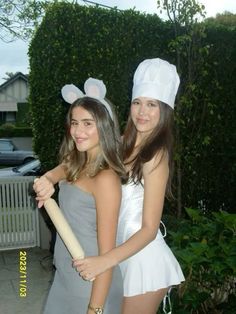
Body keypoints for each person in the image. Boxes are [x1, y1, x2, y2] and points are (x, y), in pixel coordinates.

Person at [34, 58, 185, 314]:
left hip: (142, 260)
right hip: (117, 256)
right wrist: (50, 177)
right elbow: (77, 161)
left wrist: (105, 261)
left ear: (165, 110)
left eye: (152, 105)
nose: (142, 112)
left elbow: (149, 230)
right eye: (137, 103)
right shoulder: (120, 141)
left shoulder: (156, 156)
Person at [35, 78, 125, 314]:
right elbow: (61, 169)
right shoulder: (76, 162)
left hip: (90, 282)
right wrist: (48, 179)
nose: (77, 131)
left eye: (88, 123)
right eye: (74, 123)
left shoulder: (106, 179)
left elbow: (106, 256)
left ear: (105, 126)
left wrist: (94, 309)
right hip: (65, 273)